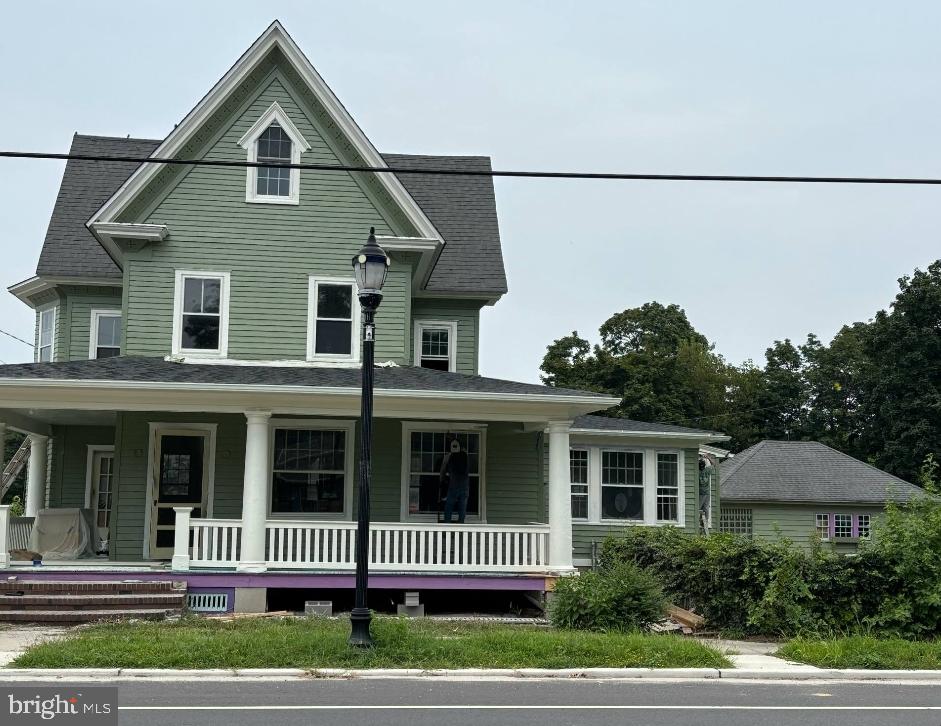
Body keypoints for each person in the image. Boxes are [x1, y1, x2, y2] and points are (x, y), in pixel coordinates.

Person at [440, 438, 470, 523]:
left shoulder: (448, 456)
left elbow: (443, 470)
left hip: (454, 486)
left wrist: (441, 481)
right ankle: (460, 529)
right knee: (462, 509)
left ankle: (447, 528)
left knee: (448, 507)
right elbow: (467, 470)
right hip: (465, 486)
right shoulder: (466, 455)